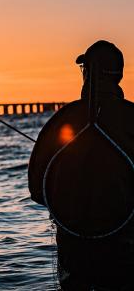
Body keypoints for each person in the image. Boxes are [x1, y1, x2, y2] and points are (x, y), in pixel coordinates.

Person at [28, 40, 134, 290]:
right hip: (127, 250)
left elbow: (37, 191)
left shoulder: (60, 122)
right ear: (118, 76)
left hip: (75, 252)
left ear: (86, 73)